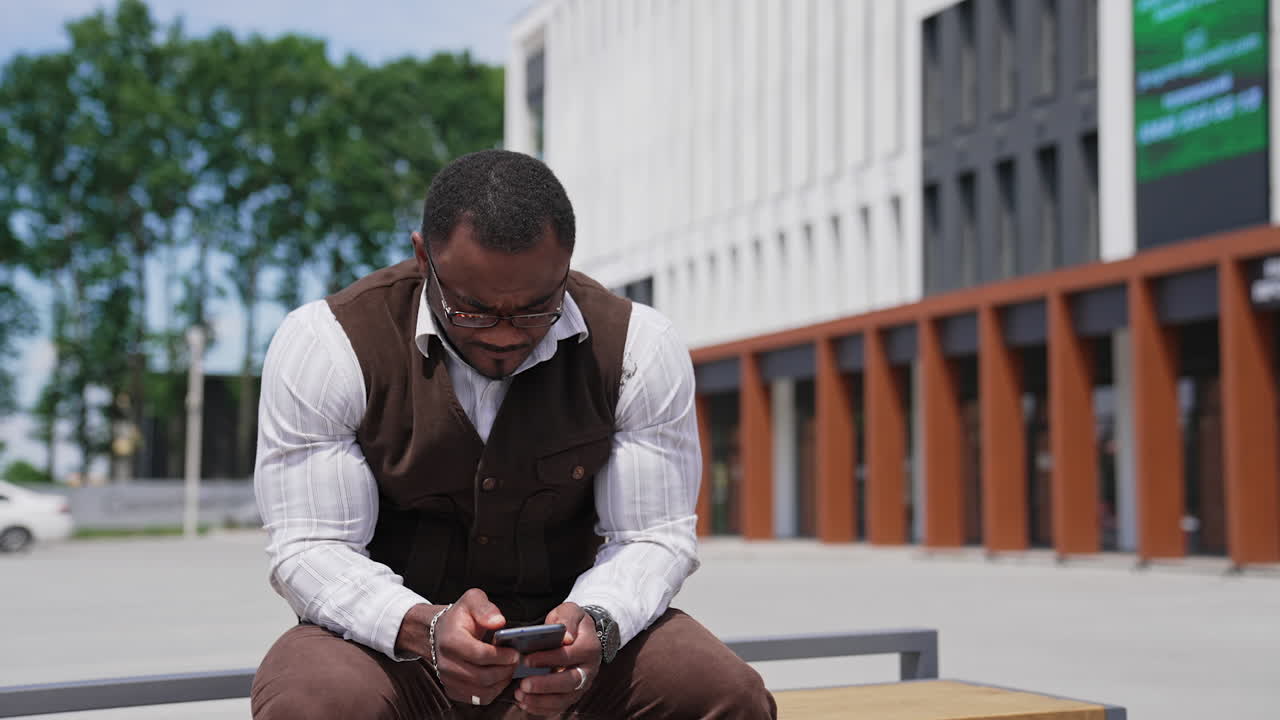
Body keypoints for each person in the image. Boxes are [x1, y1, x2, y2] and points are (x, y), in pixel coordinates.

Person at [250, 150, 777, 719]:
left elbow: (652, 536)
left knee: (724, 693)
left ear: (566, 264)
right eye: (472, 311)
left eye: (535, 310)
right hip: (390, 651)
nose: (504, 335)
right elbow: (311, 546)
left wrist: (598, 625)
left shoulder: (637, 347)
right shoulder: (327, 344)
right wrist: (421, 627)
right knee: (313, 700)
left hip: (573, 652)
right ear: (423, 254)